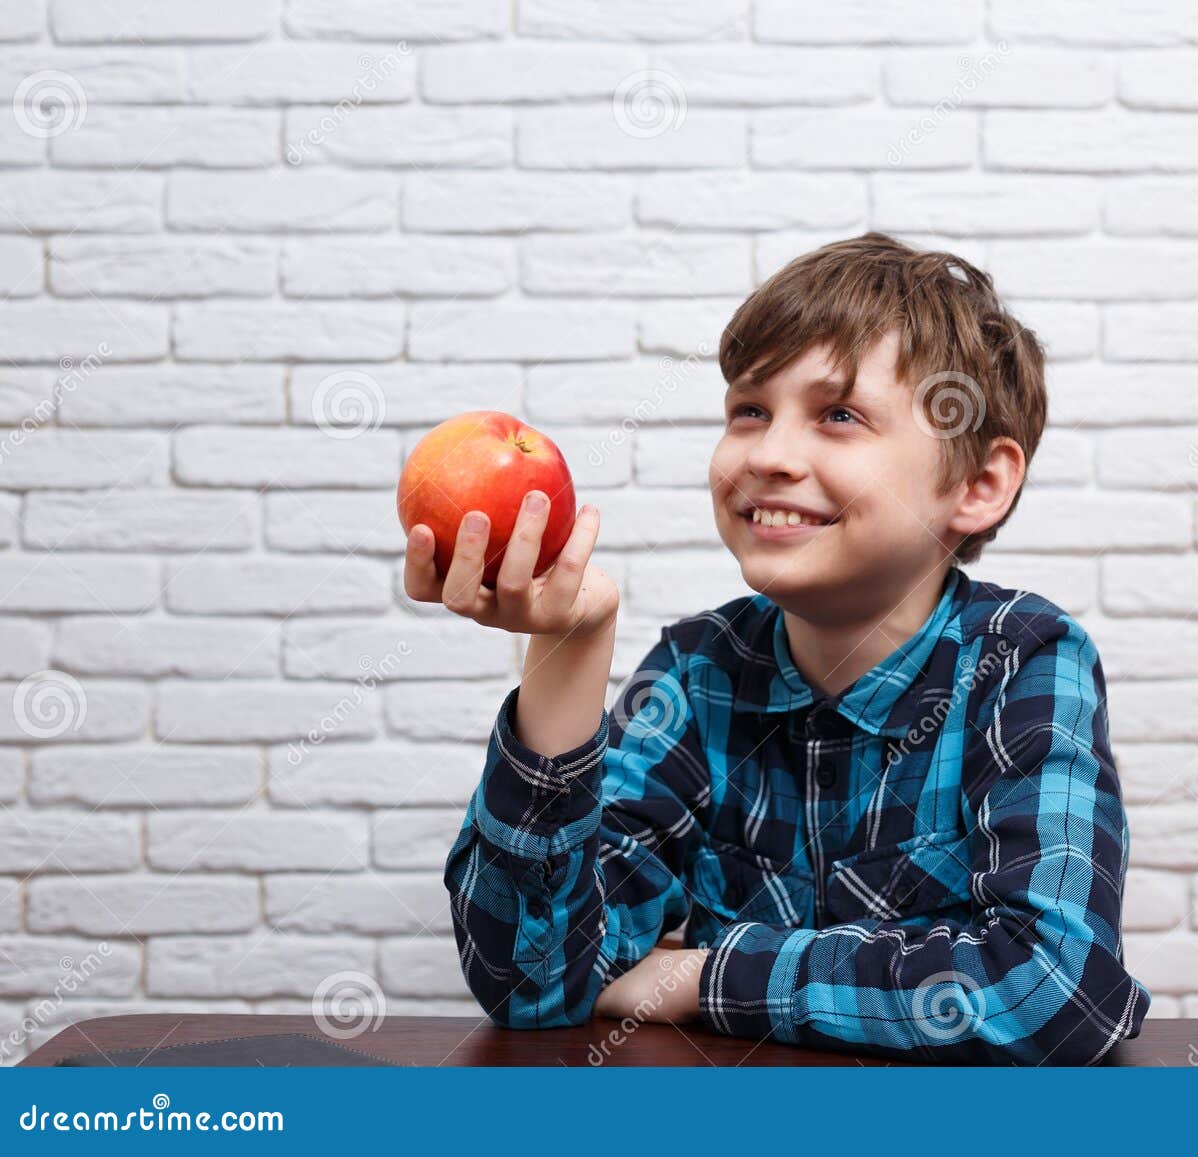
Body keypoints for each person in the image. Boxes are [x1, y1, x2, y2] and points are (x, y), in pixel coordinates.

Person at [410, 233, 1152, 1064]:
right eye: (749, 410)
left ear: (976, 485)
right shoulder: (697, 672)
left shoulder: (1025, 661)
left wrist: (695, 978)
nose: (767, 454)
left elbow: (1054, 987)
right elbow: (534, 981)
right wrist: (569, 646)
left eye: (838, 415)